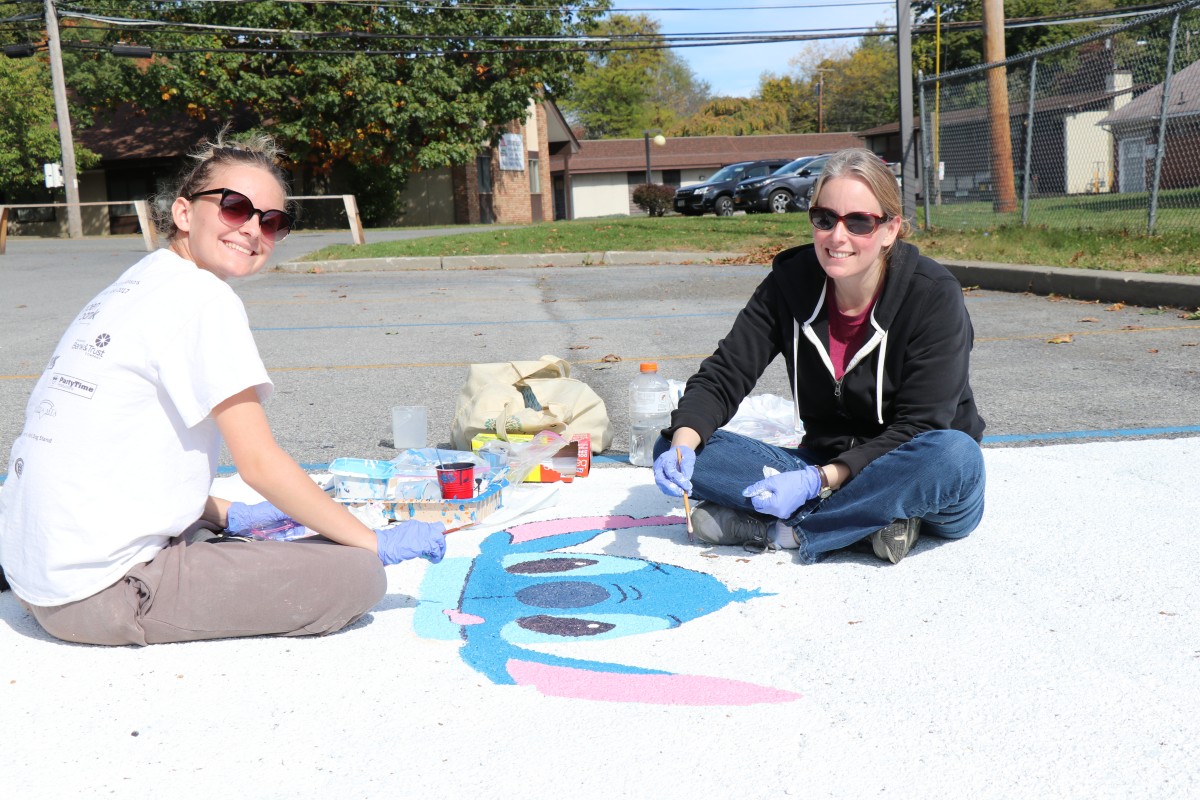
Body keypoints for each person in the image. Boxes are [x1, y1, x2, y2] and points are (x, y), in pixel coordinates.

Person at [0, 128, 445, 645]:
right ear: (184, 213)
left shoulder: (140, 281)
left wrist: (230, 514)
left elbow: (114, 454)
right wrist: (373, 542)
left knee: (270, 528)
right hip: (97, 593)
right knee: (355, 575)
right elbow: (259, 464)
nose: (253, 229)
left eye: (272, 221)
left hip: (36, 569)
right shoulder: (204, 300)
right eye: (235, 207)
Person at [652, 148, 985, 564]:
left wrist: (817, 482)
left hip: (912, 472)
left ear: (890, 229)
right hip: (822, 462)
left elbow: (922, 427)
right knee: (678, 444)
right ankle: (869, 525)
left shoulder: (933, 295)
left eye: (859, 222)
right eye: (824, 219)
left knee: (955, 455)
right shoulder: (790, 283)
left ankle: (784, 529)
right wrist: (684, 443)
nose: (837, 237)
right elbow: (725, 373)